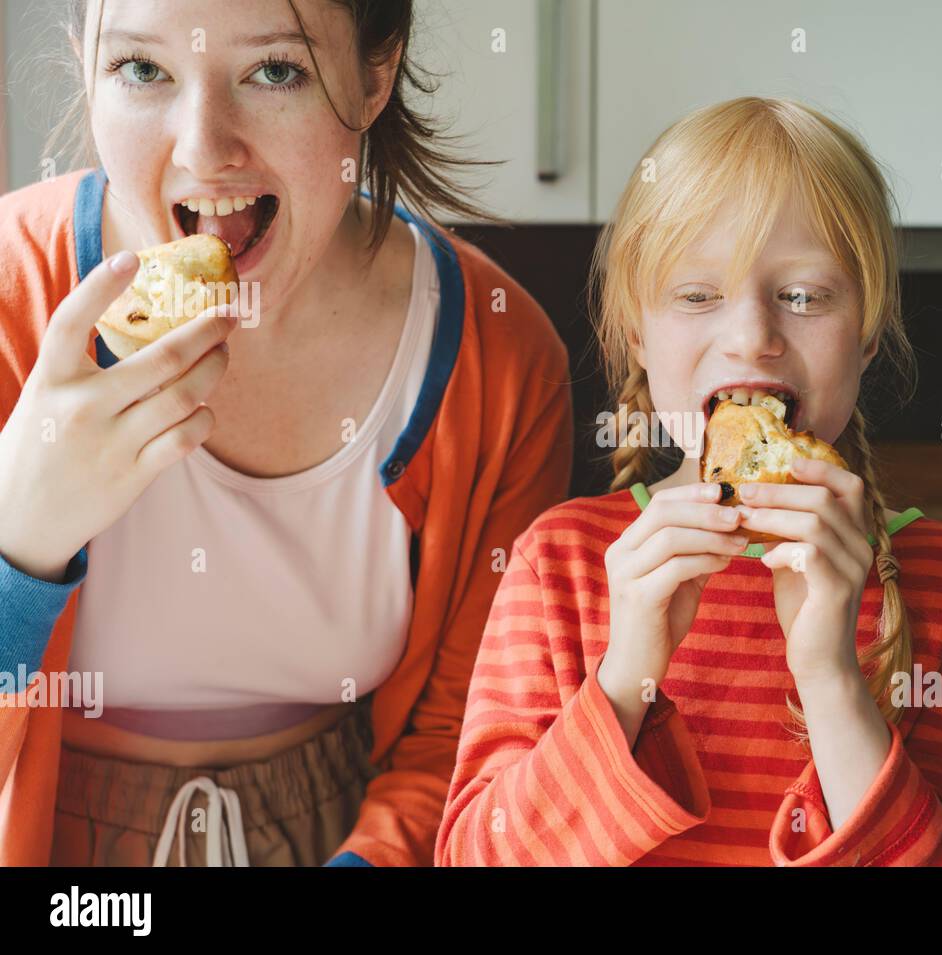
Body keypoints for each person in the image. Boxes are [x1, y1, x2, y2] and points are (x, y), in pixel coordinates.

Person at [0, 0, 572, 866]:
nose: (202, 148)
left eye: (275, 70)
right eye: (142, 70)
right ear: (85, 66)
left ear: (375, 74)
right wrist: (21, 547)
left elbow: (465, 739)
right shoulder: (11, 296)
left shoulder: (501, 357)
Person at [435, 97, 942, 866]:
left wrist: (832, 680)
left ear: (868, 331)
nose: (752, 339)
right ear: (637, 334)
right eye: (698, 296)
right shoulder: (560, 566)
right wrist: (627, 675)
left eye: (803, 296)